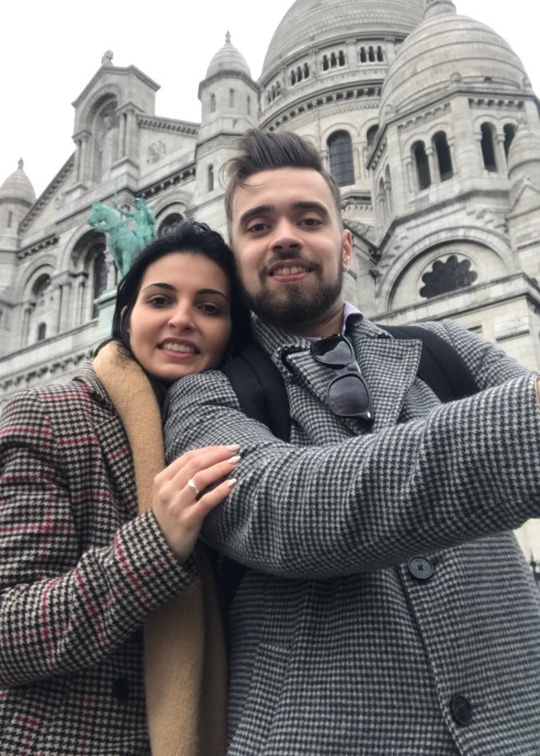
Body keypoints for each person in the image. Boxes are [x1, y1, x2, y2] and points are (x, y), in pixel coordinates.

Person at [165, 129, 540, 755]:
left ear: (345, 241)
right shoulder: (205, 396)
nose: (285, 235)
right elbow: (288, 511)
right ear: (234, 261)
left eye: (308, 219)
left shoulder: (450, 348)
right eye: (258, 226)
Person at [0, 221, 252, 756]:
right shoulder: (47, 415)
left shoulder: (240, 432)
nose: (183, 319)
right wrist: (155, 545)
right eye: (160, 299)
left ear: (231, 333)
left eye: (210, 307)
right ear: (125, 316)